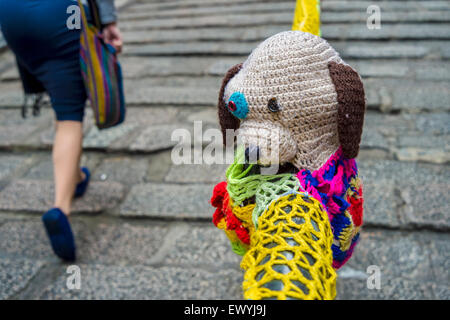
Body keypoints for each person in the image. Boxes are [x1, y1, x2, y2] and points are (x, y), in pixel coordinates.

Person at [0, 0, 123, 261]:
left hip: (11, 15)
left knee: (61, 97)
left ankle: (76, 177)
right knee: (70, 116)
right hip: (60, 13)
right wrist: (109, 21)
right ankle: (60, 208)